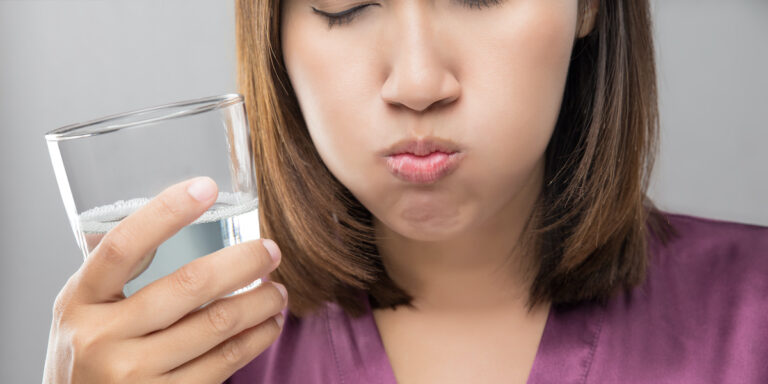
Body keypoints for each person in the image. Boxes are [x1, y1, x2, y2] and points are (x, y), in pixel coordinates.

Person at [43, 0, 768, 383]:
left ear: (589, 7)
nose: (418, 83)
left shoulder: (754, 321)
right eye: (344, 4)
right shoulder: (180, 360)